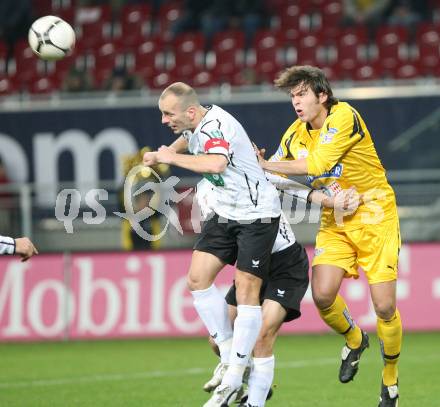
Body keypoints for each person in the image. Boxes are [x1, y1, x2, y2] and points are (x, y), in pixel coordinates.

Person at [257, 66, 402, 407]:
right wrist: (260, 165)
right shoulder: (295, 134)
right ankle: (355, 338)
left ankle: (390, 379)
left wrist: (266, 165)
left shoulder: (344, 116)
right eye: (292, 96)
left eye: (302, 94)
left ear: (322, 95)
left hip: (375, 214)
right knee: (322, 295)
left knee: (384, 306)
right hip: (336, 217)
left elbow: (318, 164)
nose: (296, 102)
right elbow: (275, 176)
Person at [143, 82, 282, 406]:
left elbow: (216, 163)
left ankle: (234, 375)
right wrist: (168, 151)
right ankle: (230, 356)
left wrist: (170, 159)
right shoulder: (197, 122)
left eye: (168, 113)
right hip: (225, 211)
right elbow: (187, 138)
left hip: (256, 214)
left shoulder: (216, 127)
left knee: (246, 290)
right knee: (197, 279)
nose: (164, 120)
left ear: (190, 111)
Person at [198, 177, 360, 407]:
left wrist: (330, 201)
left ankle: (254, 400)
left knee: (262, 335)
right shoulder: (204, 191)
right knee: (218, 341)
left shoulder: (251, 175)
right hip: (250, 268)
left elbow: (294, 188)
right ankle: (250, 374)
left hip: (285, 265)